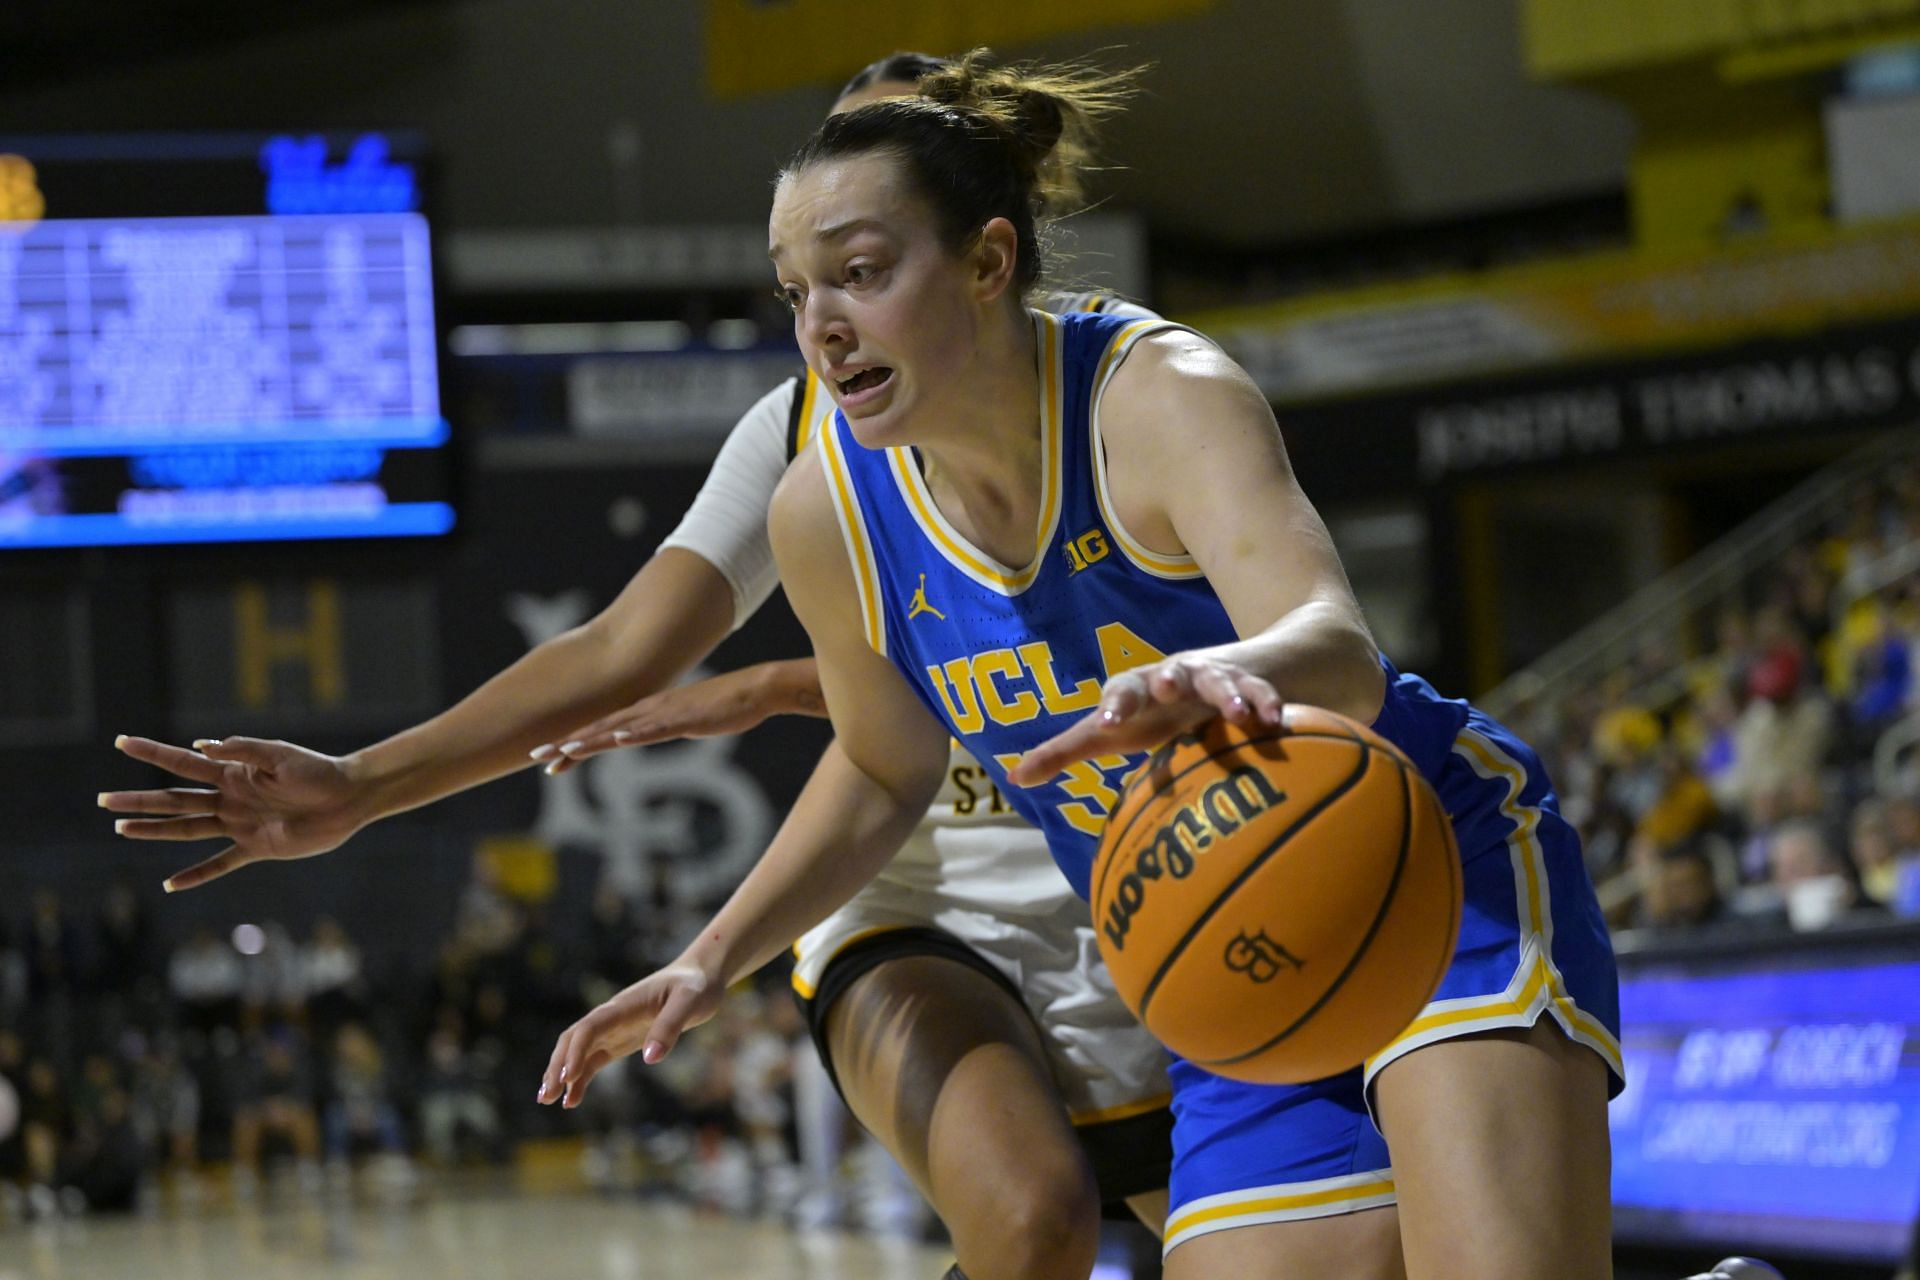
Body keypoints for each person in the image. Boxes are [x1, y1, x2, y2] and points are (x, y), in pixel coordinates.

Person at [536, 50, 1622, 1280]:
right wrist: (708, 956)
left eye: (861, 273)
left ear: (989, 262)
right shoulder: (823, 510)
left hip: (1422, 850)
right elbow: (886, 770)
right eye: (795, 293)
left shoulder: (1154, 393)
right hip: (1216, 925)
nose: (822, 327)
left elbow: (1342, 653)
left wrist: (1217, 673)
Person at [99, 51, 1172, 1279]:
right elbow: (623, 645)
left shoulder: (1128, 388)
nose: (828, 256)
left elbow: (1121, 654)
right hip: (919, 891)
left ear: (971, 224)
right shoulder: (807, 434)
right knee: (1034, 1224)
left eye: (865, 236)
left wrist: (775, 686)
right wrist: (363, 783)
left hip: (1135, 866)